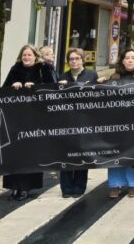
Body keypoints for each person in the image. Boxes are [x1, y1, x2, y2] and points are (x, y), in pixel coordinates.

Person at [2, 44, 56, 200]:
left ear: (35, 56)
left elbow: (52, 88)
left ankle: (26, 187)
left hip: (35, 117)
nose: (26, 58)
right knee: (14, 152)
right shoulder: (15, 69)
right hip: (16, 117)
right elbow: (3, 89)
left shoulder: (44, 68)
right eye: (24, 55)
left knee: (30, 153)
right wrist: (13, 86)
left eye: (29, 55)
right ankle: (14, 186)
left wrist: (36, 87)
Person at [101, 49, 134, 198]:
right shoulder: (113, 77)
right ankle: (115, 185)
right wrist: (100, 82)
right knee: (115, 153)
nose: (130, 60)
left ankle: (132, 184)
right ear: (122, 61)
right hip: (116, 122)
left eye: (133, 58)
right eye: (127, 58)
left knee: (133, 153)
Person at [57, 48, 98, 198]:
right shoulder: (63, 75)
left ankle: (79, 186)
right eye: (71, 59)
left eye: (77, 58)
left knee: (82, 152)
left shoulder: (91, 74)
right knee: (66, 153)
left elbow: (97, 94)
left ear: (82, 60)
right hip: (67, 120)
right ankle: (66, 187)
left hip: (84, 119)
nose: (74, 61)